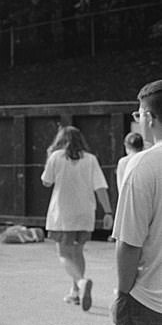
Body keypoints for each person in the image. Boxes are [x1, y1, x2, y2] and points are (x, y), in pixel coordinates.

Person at [69, 80, 162, 325]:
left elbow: (128, 245)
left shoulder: (143, 166)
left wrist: (121, 294)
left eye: (138, 114)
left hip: (149, 296)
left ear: (150, 117)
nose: (137, 120)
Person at [42, 125, 114, 311]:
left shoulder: (56, 157)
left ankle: (81, 283)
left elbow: (46, 181)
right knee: (78, 252)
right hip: (85, 213)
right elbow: (100, 187)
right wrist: (108, 212)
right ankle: (75, 291)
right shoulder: (90, 159)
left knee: (63, 254)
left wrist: (48, 156)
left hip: (63, 214)